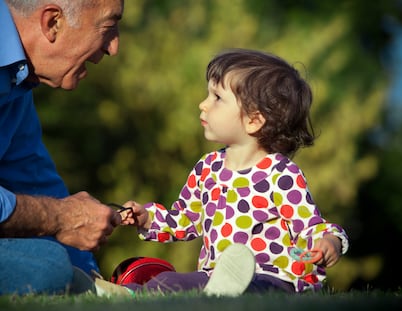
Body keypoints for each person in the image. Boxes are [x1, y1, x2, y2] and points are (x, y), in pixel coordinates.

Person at [101, 48, 349, 297]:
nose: (203, 104)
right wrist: (147, 218)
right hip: (213, 276)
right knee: (167, 280)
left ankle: (225, 292)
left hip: (272, 279)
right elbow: (186, 219)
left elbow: (309, 226)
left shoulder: (281, 174)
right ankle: (125, 294)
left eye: (217, 97)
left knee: (254, 288)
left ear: (254, 120)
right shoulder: (207, 168)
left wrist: (329, 242)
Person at [0, 0, 124, 295]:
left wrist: (94, 280)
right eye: (108, 27)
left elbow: (33, 178)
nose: (114, 47)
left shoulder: (18, 81)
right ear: (53, 22)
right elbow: (59, 213)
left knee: (49, 263)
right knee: (44, 268)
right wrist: (60, 217)